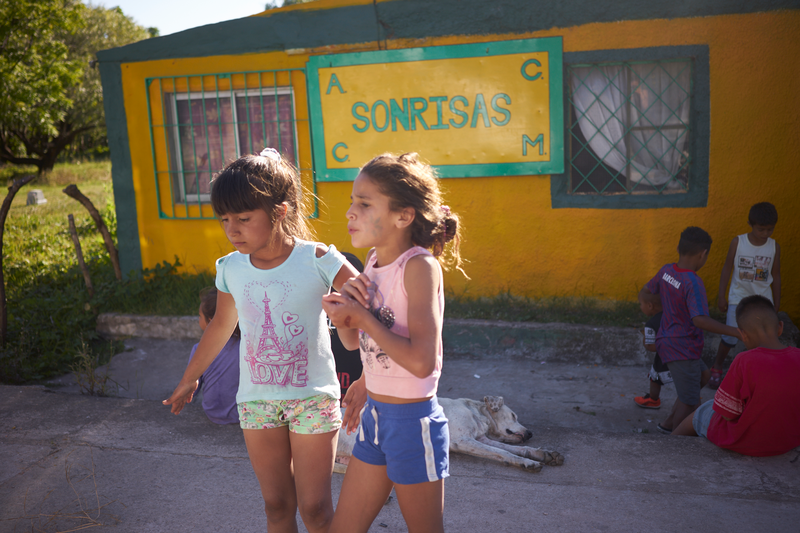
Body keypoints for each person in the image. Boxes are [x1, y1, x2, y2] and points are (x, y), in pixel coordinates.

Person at [163, 148, 361, 533]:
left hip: (313, 399)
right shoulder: (229, 268)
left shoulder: (318, 258)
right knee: (275, 505)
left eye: (243, 218)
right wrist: (191, 376)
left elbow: (369, 304)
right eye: (224, 219)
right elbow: (220, 326)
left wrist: (369, 373)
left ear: (280, 212)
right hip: (256, 402)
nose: (231, 229)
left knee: (316, 507)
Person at [321, 152, 465, 533]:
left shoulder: (419, 267)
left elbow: (422, 363)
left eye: (364, 204)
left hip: (412, 424)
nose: (350, 212)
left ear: (404, 216)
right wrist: (346, 313)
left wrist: (364, 316)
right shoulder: (371, 262)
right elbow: (357, 345)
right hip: (375, 420)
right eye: (352, 202)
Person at [638, 226, 740, 434]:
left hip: (669, 341)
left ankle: (667, 425)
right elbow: (700, 320)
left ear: (679, 247)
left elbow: (648, 290)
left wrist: (664, 305)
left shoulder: (667, 271)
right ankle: (676, 441)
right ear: (703, 254)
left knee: (703, 377)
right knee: (690, 399)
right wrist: (736, 332)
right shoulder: (693, 282)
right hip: (682, 347)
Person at [673, 295, 800, 456]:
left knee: (702, 411)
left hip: (745, 442)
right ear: (780, 327)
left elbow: (727, 415)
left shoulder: (744, 361)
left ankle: (669, 447)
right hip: (789, 441)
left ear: (743, 335)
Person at [709, 202, 781, 389]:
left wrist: (776, 303)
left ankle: (758, 374)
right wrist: (721, 296)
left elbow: (777, 275)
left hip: (763, 300)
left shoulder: (774, 247)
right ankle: (717, 367)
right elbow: (727, 268)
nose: (765, 233)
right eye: (761, 229)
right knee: (730, 337)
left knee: (763, 340)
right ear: (750, 224)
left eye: (770, 229)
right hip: (737, 298)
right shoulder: (738, 242)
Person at [187, 287, 240, 424]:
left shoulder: (199, 349)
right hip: (245, 414)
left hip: (214, 413)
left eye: (200, 316)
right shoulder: (247, 346)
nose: (199, 320)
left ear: (211, 322)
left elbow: (193, 389)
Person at [633, 298, 672, 409]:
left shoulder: (651, 323)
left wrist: (645, 341)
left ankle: (653, 400)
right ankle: (688, 402)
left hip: (664, 357)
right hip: (683, 353)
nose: (640, 307)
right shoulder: (673, 315)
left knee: (655, 377)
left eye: (641, 303)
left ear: (650, 305)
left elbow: (652, 346)